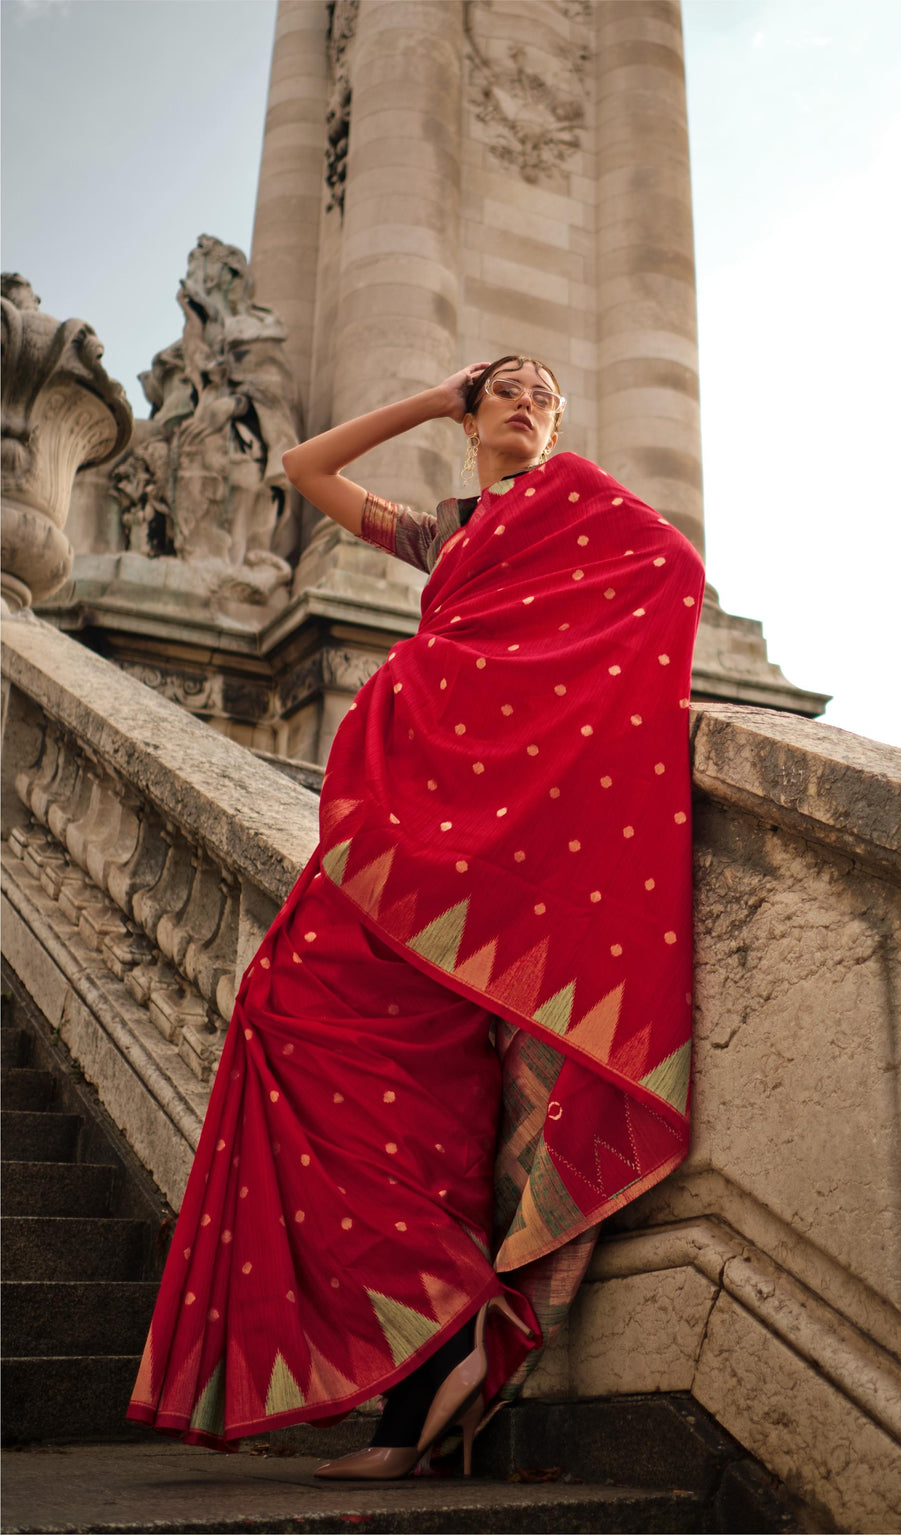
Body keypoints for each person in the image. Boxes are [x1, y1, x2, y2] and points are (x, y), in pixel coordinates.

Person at [127, 354, 705, 1480]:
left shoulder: (578, 501)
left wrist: (530, 706)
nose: (528, 402)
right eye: (507, 389)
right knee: (276, 1017)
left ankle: (425, 1379)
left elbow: (673, 574)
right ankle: (432, 1354)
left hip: (483, 855)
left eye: (545, 392)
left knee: (424, 1114)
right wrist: (431, 399)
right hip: (397, 825)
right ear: (474, 412)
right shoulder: (441, 533)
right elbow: (302, 467)